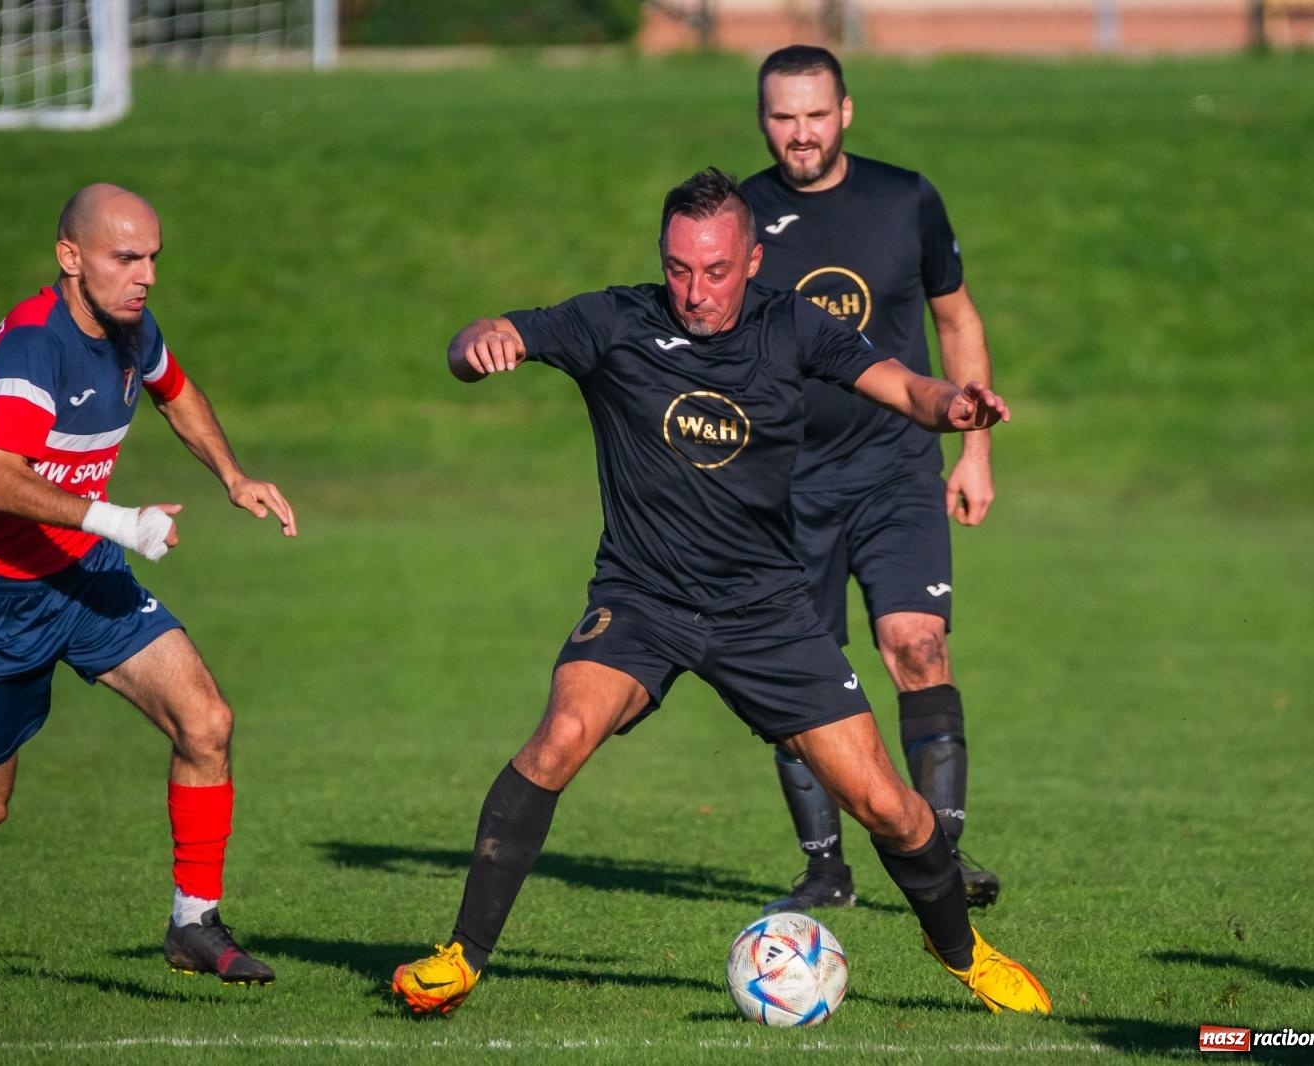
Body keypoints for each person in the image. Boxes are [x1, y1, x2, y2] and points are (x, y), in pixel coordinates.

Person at [390, 168, 1049, 1018]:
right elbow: (483, 334)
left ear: (753, 258)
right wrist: (477, 348)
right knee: (560, 735)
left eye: (715, 270)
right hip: (643, 598)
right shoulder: (615, 321)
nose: (694, 291)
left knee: (886, 804)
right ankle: (461, 957)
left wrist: (953, 404)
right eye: (678, 269)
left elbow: (903, 386)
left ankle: (964, 953)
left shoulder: (793, 325)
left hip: (766, 611)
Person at [0, 183, 296, 990]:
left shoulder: (131, 328)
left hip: (84, 578)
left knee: (207, 721)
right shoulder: (32, 345)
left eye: (154, 257)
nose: (146, 275)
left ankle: (194, 922)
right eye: (126, 257)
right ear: (70, 258)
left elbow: (175, 393)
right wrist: (120, 521)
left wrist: (231, 475)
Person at [740, 45, 1002, 914]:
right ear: (762, 118)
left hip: (895, 467)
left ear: (846, 111)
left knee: (917, 646)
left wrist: (975, 453)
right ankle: (826, 868)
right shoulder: (739, 219)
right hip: (785, 484)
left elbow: (955, 317)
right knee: (800, 674)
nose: (801, 133)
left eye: (816, 114)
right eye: (784, 116)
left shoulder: (905, 198)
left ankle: (941, 856)